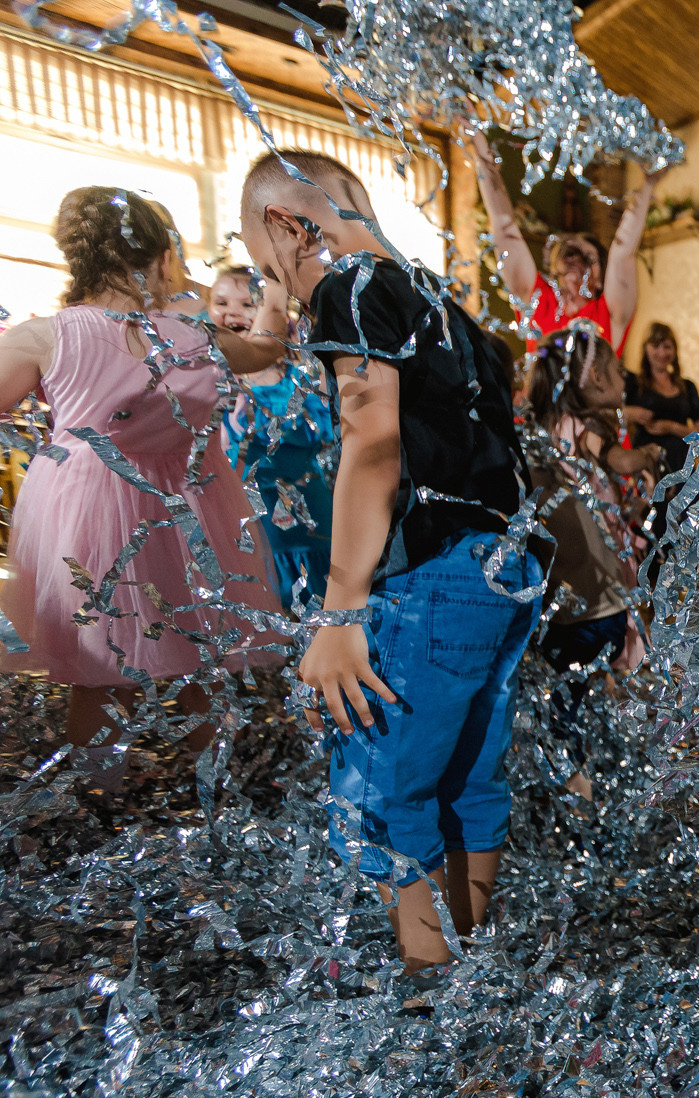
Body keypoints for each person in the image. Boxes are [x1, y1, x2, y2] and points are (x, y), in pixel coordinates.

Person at [239, 147, 539, 974]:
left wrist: (339, 611)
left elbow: (371, 446)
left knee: (383, 794)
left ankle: (429, 990)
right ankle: (471, 967)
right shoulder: (441, 300)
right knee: (468, 781)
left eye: (271, 269)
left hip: (429, 578)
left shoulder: (350, 285)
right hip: (501, 568)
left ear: (288, 225)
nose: (284, 295)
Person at [0, 185, 287, 789]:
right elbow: (267, 348)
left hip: (86, 516)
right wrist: (277, 281)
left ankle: (98, 804)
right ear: (162, 258)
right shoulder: (195, 336)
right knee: (202, 658)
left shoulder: (44, 336)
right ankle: (220, 796)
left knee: (102, 672)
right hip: (191, 512)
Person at [525, 325, 657, 802]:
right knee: (589, 699)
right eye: (617, 370)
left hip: (566, 600)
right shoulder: (590, 427)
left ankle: (573, 784)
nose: (625, 378)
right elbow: (617, 461)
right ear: (597, 377)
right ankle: (588, 795)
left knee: (565, 704)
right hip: (597, 603)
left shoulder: (540, 434)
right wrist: (647, 455)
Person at [463, 124, 666, 356]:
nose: (576, 261)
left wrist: (648, 185)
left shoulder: (608, 315)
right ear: (554, 268)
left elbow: (622, 253)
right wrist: (479, 145)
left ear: (601, 281)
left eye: (588, 258)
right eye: (569, 253)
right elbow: (504, 226)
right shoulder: (538, 302)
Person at [209, 265, 337, 605]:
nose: (233, 312)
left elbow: (329, 426)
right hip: (246, 520)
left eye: (248, 303)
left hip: (306, 520)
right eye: (221, 302)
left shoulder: (299, 377)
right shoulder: (208, 380)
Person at [624, 321, 699, 474]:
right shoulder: (634, 383)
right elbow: (611, 412)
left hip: (681, 466)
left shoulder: (687, 386)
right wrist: (632, 413)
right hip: (647, 465)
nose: (662, 353)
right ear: (645, 348)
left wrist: (671, 427)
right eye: (655, 346)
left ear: (675, 350)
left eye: (667, 347)